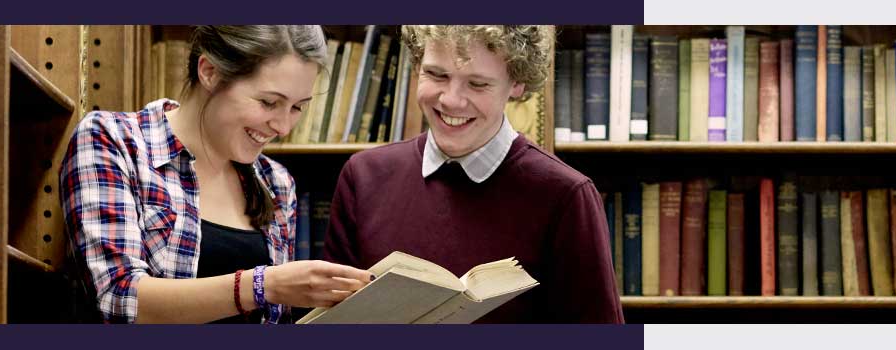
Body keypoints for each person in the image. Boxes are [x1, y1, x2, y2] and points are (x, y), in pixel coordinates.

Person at [59, 25, 371, 324]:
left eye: (297, 108)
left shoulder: (276, 182)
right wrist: (263, 286)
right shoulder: (114, 141)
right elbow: (118, 297)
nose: (284, 127)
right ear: (210, 72)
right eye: (269, 102)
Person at [324, 25, 623, 323]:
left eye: (478, 84)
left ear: (516, 84)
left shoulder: (565, 195)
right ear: (416, 64)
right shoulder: (363, 176)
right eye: (437, 75)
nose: (451, 100)